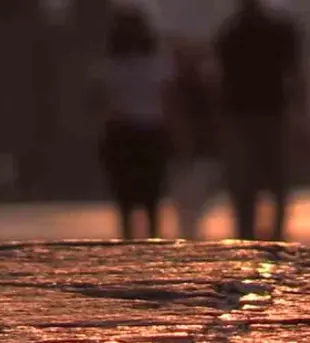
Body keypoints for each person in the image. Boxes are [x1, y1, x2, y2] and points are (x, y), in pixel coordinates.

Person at [214, 0, 306, 241]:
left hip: (248, 113)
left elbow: (220, 79)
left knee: (248, 181)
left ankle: (250, 233)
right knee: (273, 180)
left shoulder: (230, 32)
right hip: (264, 111)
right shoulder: (274, 29)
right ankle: (271, 233)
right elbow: (296, 73)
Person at [94, 4, 171, 239]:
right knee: (142, 198)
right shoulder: (156, 64)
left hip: (133, 133)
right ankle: (145, 243)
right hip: (138, 133)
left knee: (136, 199)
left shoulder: (112, 66)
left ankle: (137, 243)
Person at [165, 40, 223, 240]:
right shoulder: (180, 89)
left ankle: (191, 242)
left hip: (198, 156)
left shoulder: (204, 89)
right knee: (188, 211)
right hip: (189, 157)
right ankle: (191, 242)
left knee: (191, 210)